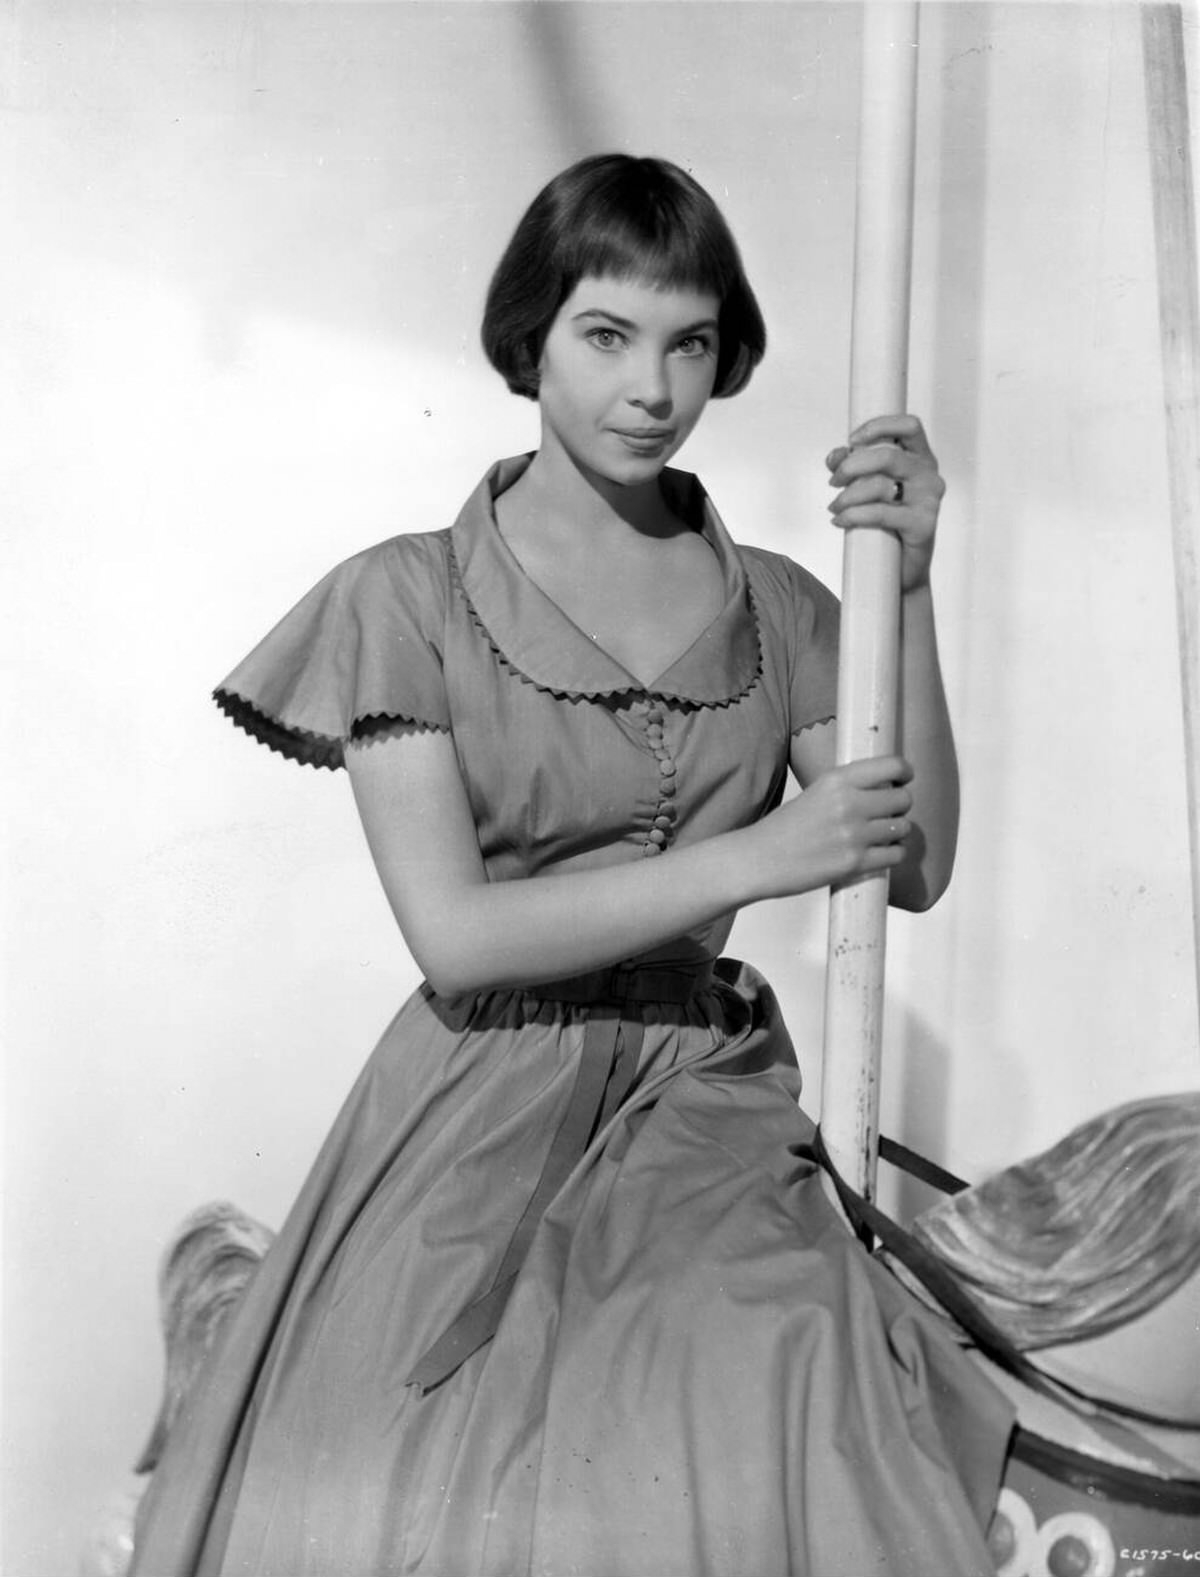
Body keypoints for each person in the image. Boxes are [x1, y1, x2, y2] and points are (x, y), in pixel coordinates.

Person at [130, 153, 1013, 1576]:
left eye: (690, 343)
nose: (651, 386)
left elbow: (914, 863)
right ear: (530, 335)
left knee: (775, 1370)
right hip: (473, 1098)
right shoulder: (403, 596)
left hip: (701, 1099)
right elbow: (456, 937)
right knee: (405, 1468)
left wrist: (903, 587)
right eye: (607, 335)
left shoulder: (784, 606)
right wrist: (766, 848)